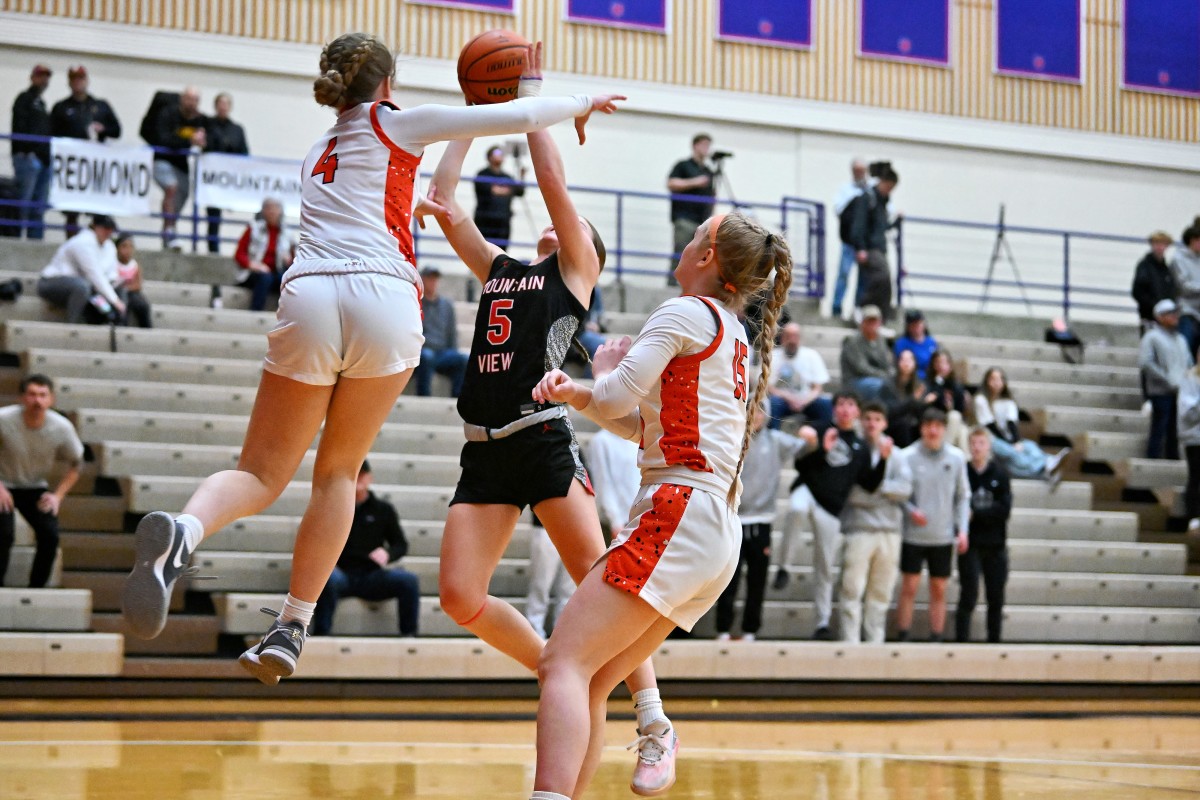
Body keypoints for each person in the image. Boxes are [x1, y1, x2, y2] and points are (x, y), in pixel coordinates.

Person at [120, 31, 625, 688]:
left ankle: (187, 529)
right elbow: (521, 116)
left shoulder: (318, 150)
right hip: (382, 298)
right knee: (337, 474)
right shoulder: (398, 122)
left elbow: (397, 193)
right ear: (387, 86)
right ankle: (292, 624)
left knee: (260, 473)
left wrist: (453, 141)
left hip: (308, 293)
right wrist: (579, 100)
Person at [420, 46, 674, 795]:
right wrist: (473, 112)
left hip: (541, 442)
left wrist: (535, 102)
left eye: (567, 225)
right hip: (484, 455)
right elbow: (443, 202)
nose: (553, 224)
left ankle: (653, 713)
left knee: (603, 579)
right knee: (460, 598)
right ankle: (549, 666)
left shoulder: (573, 276)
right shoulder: (503, 269)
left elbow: (551, 178)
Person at [527, 208, 792, 800]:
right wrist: (598, 387)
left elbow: (618, 393)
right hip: (715, 532)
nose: (685, 241)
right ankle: (645, 736)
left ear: (706, 259)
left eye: (695, 236)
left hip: (676, 512)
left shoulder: (682, 312)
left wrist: (581, 383)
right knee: (591, 680)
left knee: (561, 665)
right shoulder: (732, 332)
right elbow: (638, 426)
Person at [777, 392, 885, 638]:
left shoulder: (861, 447)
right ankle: (784, 567)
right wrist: (820, 450)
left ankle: (822, 623)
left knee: (825, 566)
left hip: (831, 507)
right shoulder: (820, 428)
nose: (845, 409)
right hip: (807, 490)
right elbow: (800, 464)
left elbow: (869, 484)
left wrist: (884, 460)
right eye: (841, 404)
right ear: (835, 409)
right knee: (795, 508)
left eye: (850, 404)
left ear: (856, 411)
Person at [716, 402, 807, 642]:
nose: (754, 415)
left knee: (757, 581)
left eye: (758, 410)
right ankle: (723, 629)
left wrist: (815, 438)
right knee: (728, 580)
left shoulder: (776, 440)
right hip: (732, 520)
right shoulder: (731, 439)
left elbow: (807, 447)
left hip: (762, 523)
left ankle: (750, 630)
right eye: (749, 410)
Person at [312, 461, 419, 637]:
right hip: (341, 573)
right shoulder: (334, 507)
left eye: (362, 474)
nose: (359, 479)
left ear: (369, 478)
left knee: (408, 581)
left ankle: (410, 636)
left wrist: (388, 553)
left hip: (372, 574)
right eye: (355, 474)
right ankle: (322, 634)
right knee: (327, 579)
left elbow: (400, 544)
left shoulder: (383, 510)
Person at [0, 375, 84, 589]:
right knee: (4, 534)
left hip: (35, 486)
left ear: (51, 399)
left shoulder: (61, 427)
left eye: (42, 395)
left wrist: (58, 496)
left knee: (50, 535)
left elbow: (77, 464)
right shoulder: (4, 419)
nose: (37, 400)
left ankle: (37, 588)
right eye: (32, 394)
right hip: (3, 483)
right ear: (21, 398)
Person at [895, 407, 969, 642]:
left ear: (944, 429)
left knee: (939, 589)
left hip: (943, 536)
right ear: (921, 428)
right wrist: (911, 510)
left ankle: (936, 637)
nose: (933, 430)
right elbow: (899, 495)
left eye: (937, 426)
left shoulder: (956, 458)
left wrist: (963, 530)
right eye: (928, 425)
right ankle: (903, 635)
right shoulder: (906, 456)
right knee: (909, 587)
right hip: (913, 536)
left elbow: (963, 497)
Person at [838, 400, 909, 644]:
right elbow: (852, 494)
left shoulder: (897, 456)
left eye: (877, 419)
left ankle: (874, 644)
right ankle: (850, 643)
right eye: (868, 419)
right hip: (859, 529)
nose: (872, 424)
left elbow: (906, 489)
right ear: (861, 421)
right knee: (852, 589)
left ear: (885, 423)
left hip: (890, 531)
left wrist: (875, 488)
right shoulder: (852, 450)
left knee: (881, 592)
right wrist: (885, 493)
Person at [49, 65, 121, 237]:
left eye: (81, 78)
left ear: (86, 80)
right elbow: (51, 134)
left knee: (99, 212)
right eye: (74, 79)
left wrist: (102, 129)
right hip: (72, 167)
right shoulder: (61, 107)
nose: (78, 82)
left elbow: (117, 130)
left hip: (94, 167)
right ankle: (71, 245)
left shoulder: (100, 105)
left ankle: (97, 244)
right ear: (69, 82)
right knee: (72, 211)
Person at [956, 427, 1012, 643]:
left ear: (988, 446)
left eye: (981, 443)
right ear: (969, 446)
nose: (977, 447)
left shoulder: (1000, 473)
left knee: (995, 598)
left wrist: (975, 514)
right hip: (970, 544)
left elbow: (1004, 510)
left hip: (996, 545)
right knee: (968, 595)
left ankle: (994, 643)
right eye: (974, 443)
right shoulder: (963, 472)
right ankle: (961, 643)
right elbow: (959, 506)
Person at [974, 367, 1069, 482]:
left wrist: (1016, 441)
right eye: (993, 379)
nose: (996, 383)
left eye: (999, 379)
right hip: (990, 438)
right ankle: (1043, 468)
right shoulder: (981, 399)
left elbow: (1011, 424)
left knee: (1029, 446)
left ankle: (1049, 461)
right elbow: (990, 425)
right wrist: (1011, 444)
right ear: (987, 381)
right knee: (1011, 452)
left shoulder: (1008, 401)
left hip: (1007, 438)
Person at [37, 214, 126, 324]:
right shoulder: (82, 242)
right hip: (53, 281)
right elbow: (94, 274)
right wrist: (115, 300)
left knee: (120, 290)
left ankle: (118, 326)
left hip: (89, 286)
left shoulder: (110, 247)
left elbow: (111, 273)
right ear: (95, 227)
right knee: (82, 287)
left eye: (110, 229)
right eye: (105, 228)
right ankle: (72, 325)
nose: (108, 233)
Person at [153, 86, 207, 248]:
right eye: (188, 99)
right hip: (163, 160)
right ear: (182, 99)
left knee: (179, 199)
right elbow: (163, 138)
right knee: (171, 187)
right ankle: (170, 230)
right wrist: (189, 141)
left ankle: (168, 234)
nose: (191, 103)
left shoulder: (199, 120)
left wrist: (204, 141)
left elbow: (210, 137)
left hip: (181, 166)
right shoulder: (168, 114)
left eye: (195, 100)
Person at [1138, 299, 1192, 460]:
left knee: (1175, 430)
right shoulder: (1152, 337)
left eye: (1176, 313)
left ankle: (1172, 458)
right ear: (1160, 317)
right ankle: (1153, 458)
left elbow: (1188, 363)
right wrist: (1167, 379)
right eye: (1171, 313)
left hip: (1180, 391)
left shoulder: (1181, 339)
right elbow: (1145, 363)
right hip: (1161, 391)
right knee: (1159, 427)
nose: (1176, 317)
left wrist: (1186, 382)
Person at [844, 165, 899, 320]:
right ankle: (865, 310)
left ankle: (872, 315)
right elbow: (858, 225)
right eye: (888, 187)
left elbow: (882, 227)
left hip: (879, 248)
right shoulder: (867, 198)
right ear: (882, 182)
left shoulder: (882, 203)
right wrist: (860, 248)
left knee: (871, 282)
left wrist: (896, 222)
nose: (889, 191)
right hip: (870, 248)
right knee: (882, 278)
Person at [665, 133, 716, 284]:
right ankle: (672, 285)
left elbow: (712, 195)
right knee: (680, 252)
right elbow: (671, 183)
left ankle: (691, 286)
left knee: (699, 255)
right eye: (704, 145)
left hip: (702, 220)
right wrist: (695, 182)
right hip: (684, 217)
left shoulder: (708, 171)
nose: (706, 149)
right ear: (695, 146)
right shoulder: (683, 165)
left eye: (708, 145)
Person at [203, 92, 250, 253]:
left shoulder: (236, 129)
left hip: (230, 178)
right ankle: (213, 248)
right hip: (213, 177)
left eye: (226, 104)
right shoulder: (208, 125)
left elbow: (244, 152)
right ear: (216, 106)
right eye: (220, 104)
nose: (223, 107)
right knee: (213, 215)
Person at [11, 64, 54, 239]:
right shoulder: (24, 99)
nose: (43, 80)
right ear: (32, 77)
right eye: (40, 76)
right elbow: (20, 127)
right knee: (24, 203)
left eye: (46, 76)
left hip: (42, 160)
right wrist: (28, 151)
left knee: (38, 206)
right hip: (29, 159)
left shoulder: (42, 104)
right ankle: (17, 238)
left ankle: (34, 241)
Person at [233, 197, 297, 312]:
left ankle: (287, 315)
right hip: (254, 274)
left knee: (287, 280)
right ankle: (255, 311)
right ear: (262, 211)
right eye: (268, 208)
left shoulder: (288, 234)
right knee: (265, 278)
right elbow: (239, 254)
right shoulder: (253, 229)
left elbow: (295, 261)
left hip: (276, 273)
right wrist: (254, 265)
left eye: (275, 208)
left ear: (280, 211)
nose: (272, 212)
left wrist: (288, 260)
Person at [414, 266, 468, 397]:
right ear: (422, 280)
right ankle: (424, 398)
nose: (433, 282)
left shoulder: (447, 305)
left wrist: (453, 350)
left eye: (435, 279)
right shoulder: (416, 303)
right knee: (427, 357)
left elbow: (451, 332)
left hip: (442, 353)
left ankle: (457, 399)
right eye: (429, 278)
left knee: (463, 359)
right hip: (423, 352)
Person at [767, 322, 833, 429]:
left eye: (795, 336)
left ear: (801, 339)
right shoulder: (773, 356)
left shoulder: (812, 355)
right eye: (788, 336)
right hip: (782, 400)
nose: (792, 340)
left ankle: (821, 439)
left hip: (807, 400)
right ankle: (773, 438)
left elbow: (818, 388)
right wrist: (789, 398)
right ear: (782, 338)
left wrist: (804, 401)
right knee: (772, 403)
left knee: (825, 404)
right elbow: (768, 387)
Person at [831, 158, 871, 319]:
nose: (859, 173)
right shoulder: (846, 190)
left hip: (865, 244)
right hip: (848, 242)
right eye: (856, 170)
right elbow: (838, 209)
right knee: (843, 274)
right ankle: (836, 307)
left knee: (863, 278)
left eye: (862, 170)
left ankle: (857, 309)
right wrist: (857, 199)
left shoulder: (871, 191)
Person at [587, 427, 640, 541]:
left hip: (638, 519)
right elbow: (603, 482)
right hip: (616, 523)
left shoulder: (638, 438)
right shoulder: (601, 440)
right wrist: (615, 522)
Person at [524, 518, 574, 639]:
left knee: (570, 589)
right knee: (541, 583)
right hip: (545, 526)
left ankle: (562, 636)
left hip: (575, 530)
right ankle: (534, 632)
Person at [473, 142, 527, 246]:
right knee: (483, 249)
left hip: (503, 221)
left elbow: (519, 192)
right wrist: (507, 190)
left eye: (501, 153)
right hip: (485, 220)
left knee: (502, 251)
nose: (500, 155)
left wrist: (521, 177)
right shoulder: (482, 174)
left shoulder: (507, 177)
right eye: (496, 153)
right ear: (489, 157)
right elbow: (493, 190)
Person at [839, 305, 894, 401]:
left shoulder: (881, 340)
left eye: (875, 321)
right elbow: (862, 368)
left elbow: (885, 363)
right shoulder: (852, 342)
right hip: (855, 380)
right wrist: (885, 375)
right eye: (869, 321)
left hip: (877, 377)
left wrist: (892, 374)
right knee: (878, 385)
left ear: (880, 323)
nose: (872, 324)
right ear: (862, 322)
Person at [1132, 231, 1177, 333]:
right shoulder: (1144, 266)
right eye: (1157, 243)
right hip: (1149, 316)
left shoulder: (1166, 269)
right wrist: (1154, 307)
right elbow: (1138, 291)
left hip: (1165, 318)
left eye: (1163, 244)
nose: (1160, 247)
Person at [926, 349, 970, 452]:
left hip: (952, 422)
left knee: (963, 431)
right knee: (955, 417)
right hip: (935, 420)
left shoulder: (956, 385)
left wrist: (950, 406)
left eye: (945, 362)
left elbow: (960, 409)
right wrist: (939, 381)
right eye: (938, 362)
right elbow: (930, 403)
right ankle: (942, 453)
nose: (942, 366)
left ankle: (966, 464)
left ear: (950, 365)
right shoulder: (928, 383)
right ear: (933, 365)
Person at [1176, 362, 1200, 532]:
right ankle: (1193, 516)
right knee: (1195, 477)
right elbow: (1187, 413)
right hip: (1194, 437)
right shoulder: (1190, 379)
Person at [1171, 222, 1200, 357]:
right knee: (1185, 350)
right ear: (1191, 240)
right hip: (1187, 311)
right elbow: (1184, 286)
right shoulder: (1179, 259)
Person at [112, 234, 152, 328]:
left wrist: (126, 288)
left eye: (130, 247)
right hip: (117, 293)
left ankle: (147, 328)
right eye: (124, 246)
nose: (127, 250)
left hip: (131, 293)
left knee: (143, 305)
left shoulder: (134, 265)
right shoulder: (113, 264)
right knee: (124, 305)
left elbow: (138, 285)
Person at [893, 309, 938, 380]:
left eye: (918, 323)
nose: (916, 327)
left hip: (931, 378)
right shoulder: (901, 343)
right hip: (911, 379)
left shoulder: (931, 341)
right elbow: (900, 365)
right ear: (908, 326)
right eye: (912, 324)